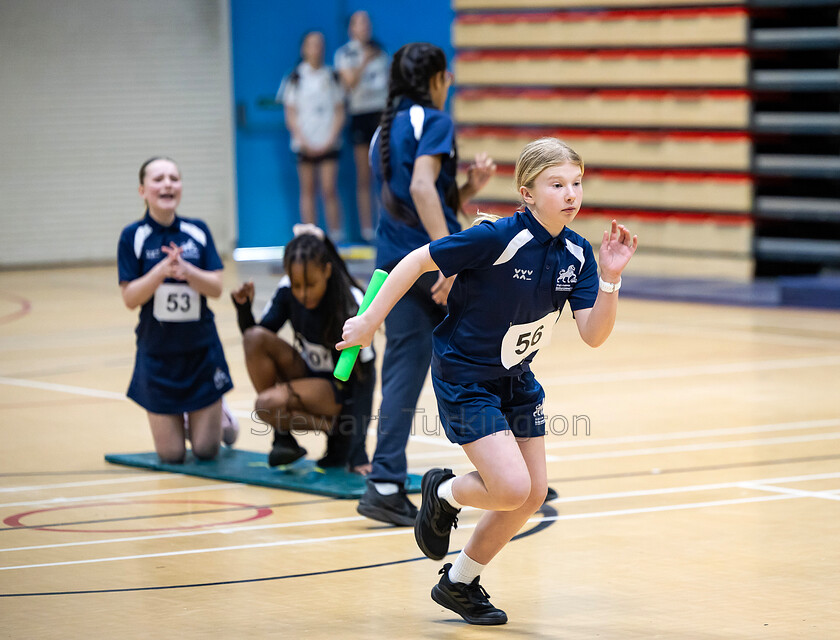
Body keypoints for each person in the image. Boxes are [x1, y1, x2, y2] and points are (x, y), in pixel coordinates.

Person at [338, 138, 638, 625]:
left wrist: (610, 279)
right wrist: (370, 321)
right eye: (556, 184)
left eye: (576, 183)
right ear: (527, 193)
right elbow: (416, 260)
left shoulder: (579, 256)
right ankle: (443, 493)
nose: (570, 194)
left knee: (533, 493)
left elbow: (594, 334)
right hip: (465, 376)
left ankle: (459, 583)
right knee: (510, 486)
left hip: (516, 380)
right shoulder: (497, 238)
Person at [355, 42, 497, 526]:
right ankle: (507, 473)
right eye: (447, 74)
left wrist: (467, 188)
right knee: (491, 360)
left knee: (402, 371)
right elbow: (420, 189)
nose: (451, 80)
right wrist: (449, 261)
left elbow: (417, 193)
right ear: (434, 79)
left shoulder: (383, 130)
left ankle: (385, 483)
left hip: (393, 266)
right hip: (430, 267)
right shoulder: (435, 121)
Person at [118, 157, 238, 464]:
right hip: (157, 355)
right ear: (143, 190)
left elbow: (215, 287)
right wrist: (160, 272)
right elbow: (130, 297)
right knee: (171, 455)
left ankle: (220, 419)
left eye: (174, 178)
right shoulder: (133, 237)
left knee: (205, 451)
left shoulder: (197, 231)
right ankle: (187, 420)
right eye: (158, 179)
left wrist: (186, 271)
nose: (167, 184)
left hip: (200, 352)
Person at [231, 224, 375, 472]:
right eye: (297, 285)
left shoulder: (349, 302)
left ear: (327, 271)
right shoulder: (288, 290)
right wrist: (244, 308)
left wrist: (358, 451)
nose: (303, 293)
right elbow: (258, 341)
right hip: (307, 376)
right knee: (254, 338)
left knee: (266, 404)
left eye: (310, 285)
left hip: (340, 393)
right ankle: (284, 435)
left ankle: (337, 430)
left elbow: (367, 378)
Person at [279, 31, 346, 242]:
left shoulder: (332, 76)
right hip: (304, 144)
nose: (316, 49)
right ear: (303, 48)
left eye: (320, 44)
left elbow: (339, 110)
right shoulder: (295, 77)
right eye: (311, 44)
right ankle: (310, 236)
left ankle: (336, 237)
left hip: (329, 142)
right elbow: (290, 114)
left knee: (329, 189)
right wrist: (304, 140)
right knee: (307, 190)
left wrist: (330, 139)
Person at [334, 10, 390, 243]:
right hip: (359, 115)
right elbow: (349, 83)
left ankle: (386, 225)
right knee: (363, 175)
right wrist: (364, 60)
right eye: (359, 23)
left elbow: (387, 86)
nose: (365, 27)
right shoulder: (344, 54)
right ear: (351, 28)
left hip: (380, 113)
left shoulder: (381, 52)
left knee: (385, 173)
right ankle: (367, 229)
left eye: (367, 22)